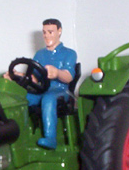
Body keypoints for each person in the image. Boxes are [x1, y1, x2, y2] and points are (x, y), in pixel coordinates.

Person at [7, 18, 77, 149]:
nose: (46, 36)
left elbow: (68, 77)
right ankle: (21, 135)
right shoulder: (40, 54)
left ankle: (50, 138)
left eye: (50, 32)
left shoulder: (69, 54)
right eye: (44, 32)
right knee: (22, 99)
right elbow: (33, 78)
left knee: (48, 99)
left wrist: (57, 73)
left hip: (60, 90)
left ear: (59, 31)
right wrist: (16, 75)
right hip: (42, 89)